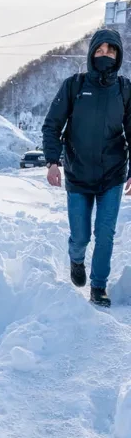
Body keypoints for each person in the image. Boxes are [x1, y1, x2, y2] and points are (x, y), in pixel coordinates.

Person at [43, 29, 131, 307]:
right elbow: (52, 125)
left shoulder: (125, 89)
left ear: (118, 55)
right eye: (100, 50)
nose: (106, 55)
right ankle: (76, 258)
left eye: (111, 50)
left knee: (104, 233)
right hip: (78, 174)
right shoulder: (74, 85)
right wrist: (53, 161)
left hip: (113, 174)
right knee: (80, 236)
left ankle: (98, 286)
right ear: (92, 53)